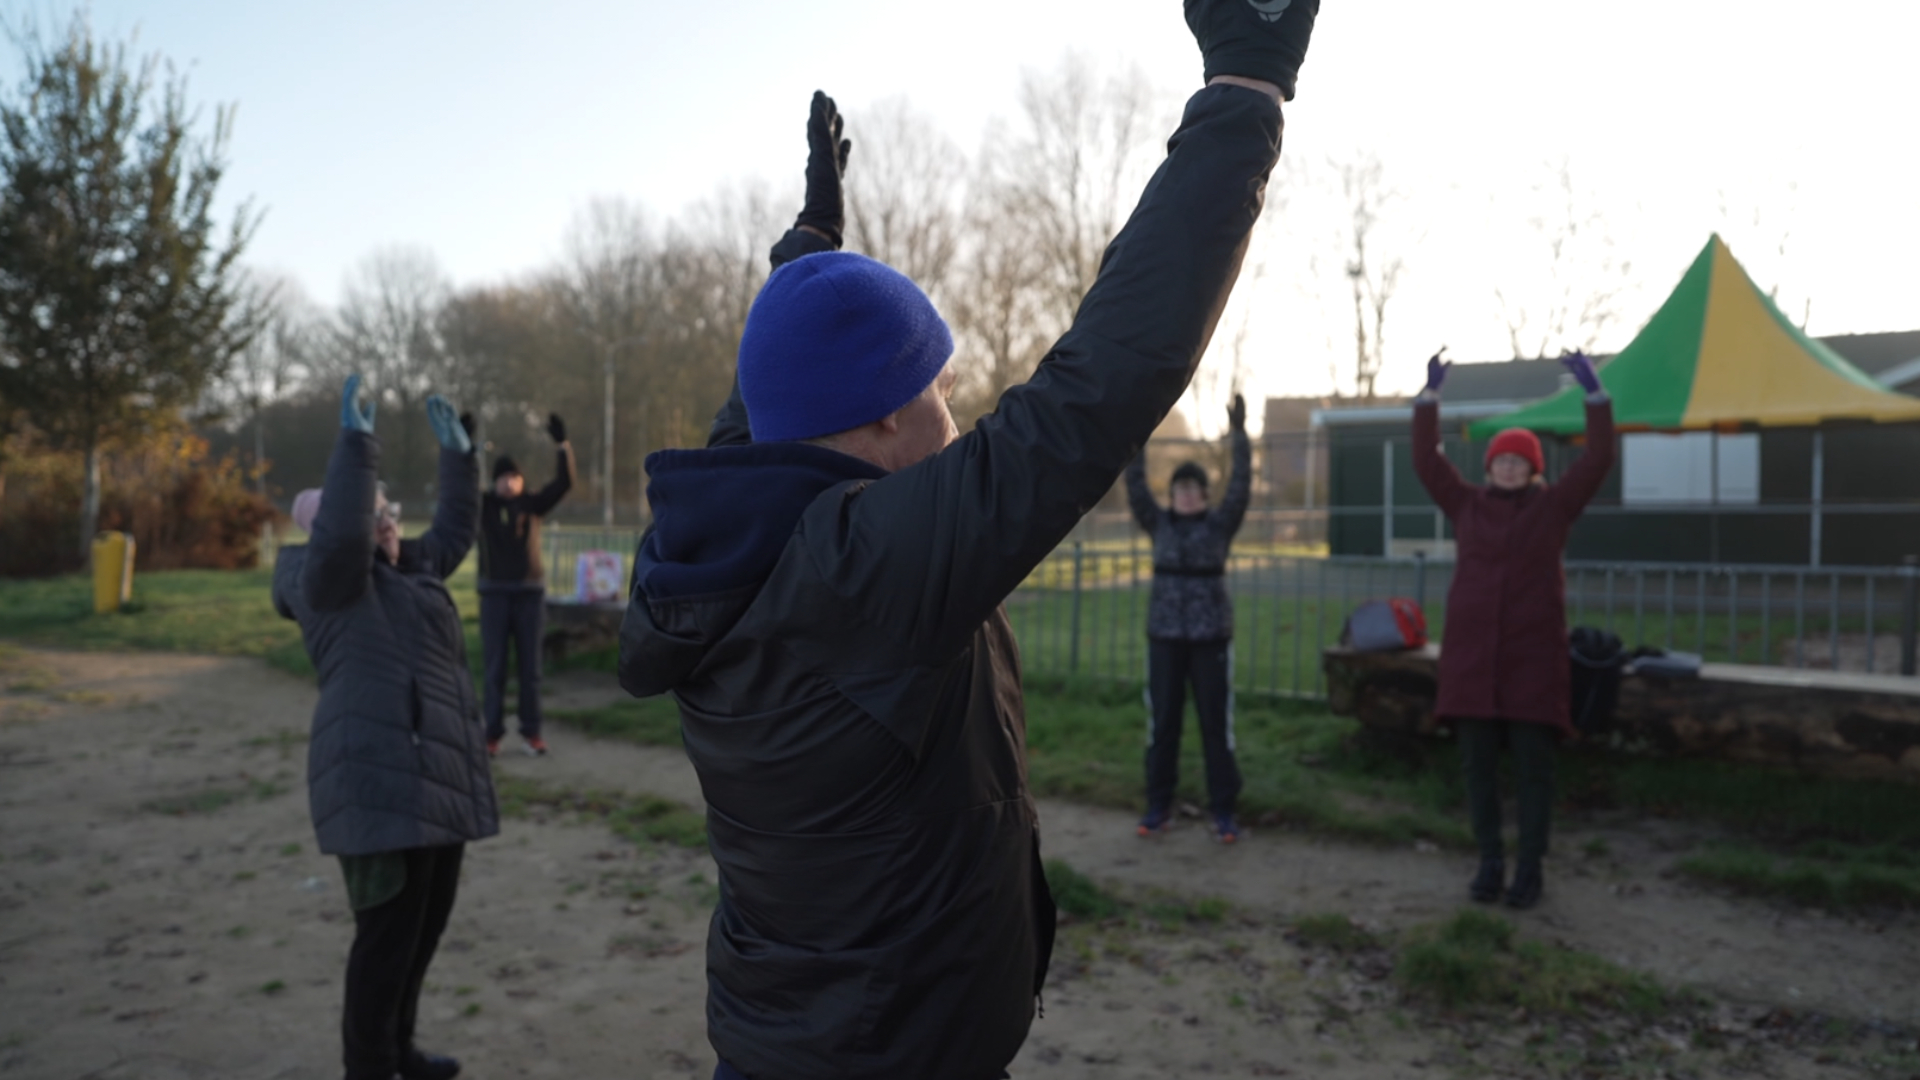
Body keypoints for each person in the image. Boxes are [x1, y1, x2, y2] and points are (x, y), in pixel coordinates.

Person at [617, 3, 1316, 1075]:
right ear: (889, 418)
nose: (957, 414)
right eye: (935, 389)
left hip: (789, 1028)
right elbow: (1090, 395)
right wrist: (1244, 94)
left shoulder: (717, 549)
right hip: (894, 1049)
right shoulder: (865, 575)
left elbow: (754, 422)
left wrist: (803, 266)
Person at [273, 374, 496, 1080]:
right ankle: (368, 1067)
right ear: (344, 525)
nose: (392, 518)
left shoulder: (412, 571)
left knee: (421, 938)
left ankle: (399, 1051)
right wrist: (356, 446)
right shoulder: (331, 584)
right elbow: (341, 537)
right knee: (384, 947)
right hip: (376, 786)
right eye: (378, 510)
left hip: (435, 784)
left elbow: (458, 529)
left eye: (391, 507)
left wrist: (460, 459)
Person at [1410, 348, 1616, 910]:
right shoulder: (1466, 505)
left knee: (1533, 772)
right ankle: (1489, 862)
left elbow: (1598, 458)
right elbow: (1427, 461)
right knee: (1477, 770)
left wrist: (1596, 397)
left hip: (1531, 661)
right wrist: (1429, 398)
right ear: (1490, 466)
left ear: (1533, 470)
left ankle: (1529, 868)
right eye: (1501, 460)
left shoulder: (1553, 509)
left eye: (1519, 462)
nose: (1508, 468)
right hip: (1473, 661)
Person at [1126, 392, 1253, 843]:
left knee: (1216, 726)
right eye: (1179, 488)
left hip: (1210, 639)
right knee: (1164, 725)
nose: (1185, 494)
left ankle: (1224, 811)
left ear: (1202, 494)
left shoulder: (1219, 526)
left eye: (1193, 489)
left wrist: (1240, 435)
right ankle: (1158, 806)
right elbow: (1135, 484)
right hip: (1164, 638)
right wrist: (1138, 431)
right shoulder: (1158, 524)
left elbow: (1239, 486)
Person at [476, 412, 575, 757]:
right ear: (494, 481)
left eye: (514, 476)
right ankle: (491, 734)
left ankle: (532, 733)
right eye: (503, 477)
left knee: (531, 671)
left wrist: (562, 446)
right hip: (494, 595)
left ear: (522, 480)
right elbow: (458, 488)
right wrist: (461, 447)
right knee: (495, 670)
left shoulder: (532, 505)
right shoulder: (484, 507)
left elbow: (564, 484)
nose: (509, 482)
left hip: (530, 595)